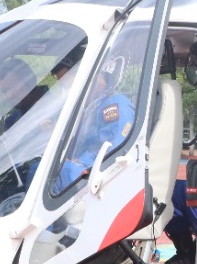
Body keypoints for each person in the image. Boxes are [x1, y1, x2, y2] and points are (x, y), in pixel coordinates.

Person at [54, 54, 136, 191]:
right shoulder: (90, 108)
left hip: (102, 178)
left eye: (71, 85)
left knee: (64, 172)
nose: (70, 92)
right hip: (84, 171)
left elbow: (116, 149)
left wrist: (79, 162)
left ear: (92, 77)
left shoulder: (114, 105)